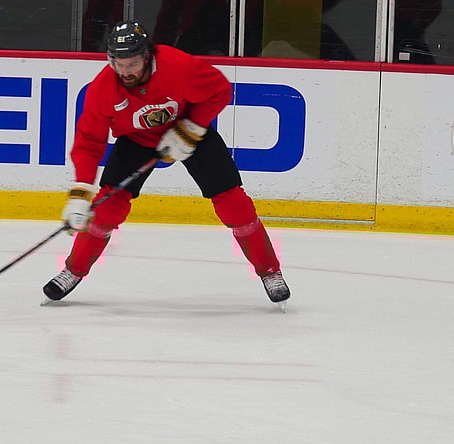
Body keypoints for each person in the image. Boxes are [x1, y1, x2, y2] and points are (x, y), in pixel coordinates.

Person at [42, 20, 290, 308]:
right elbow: (88, 141)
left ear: (147, 56)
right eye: (118, 64)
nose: (125, 71)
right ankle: (73, 271)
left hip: (188, 130)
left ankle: (270, 271)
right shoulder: (103, 88)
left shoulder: (177, 66)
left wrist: (191, 127)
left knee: (235, 205)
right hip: (136, 140)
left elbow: (220, 90)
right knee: (106, 209)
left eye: (132, 63)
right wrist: (81, 190)